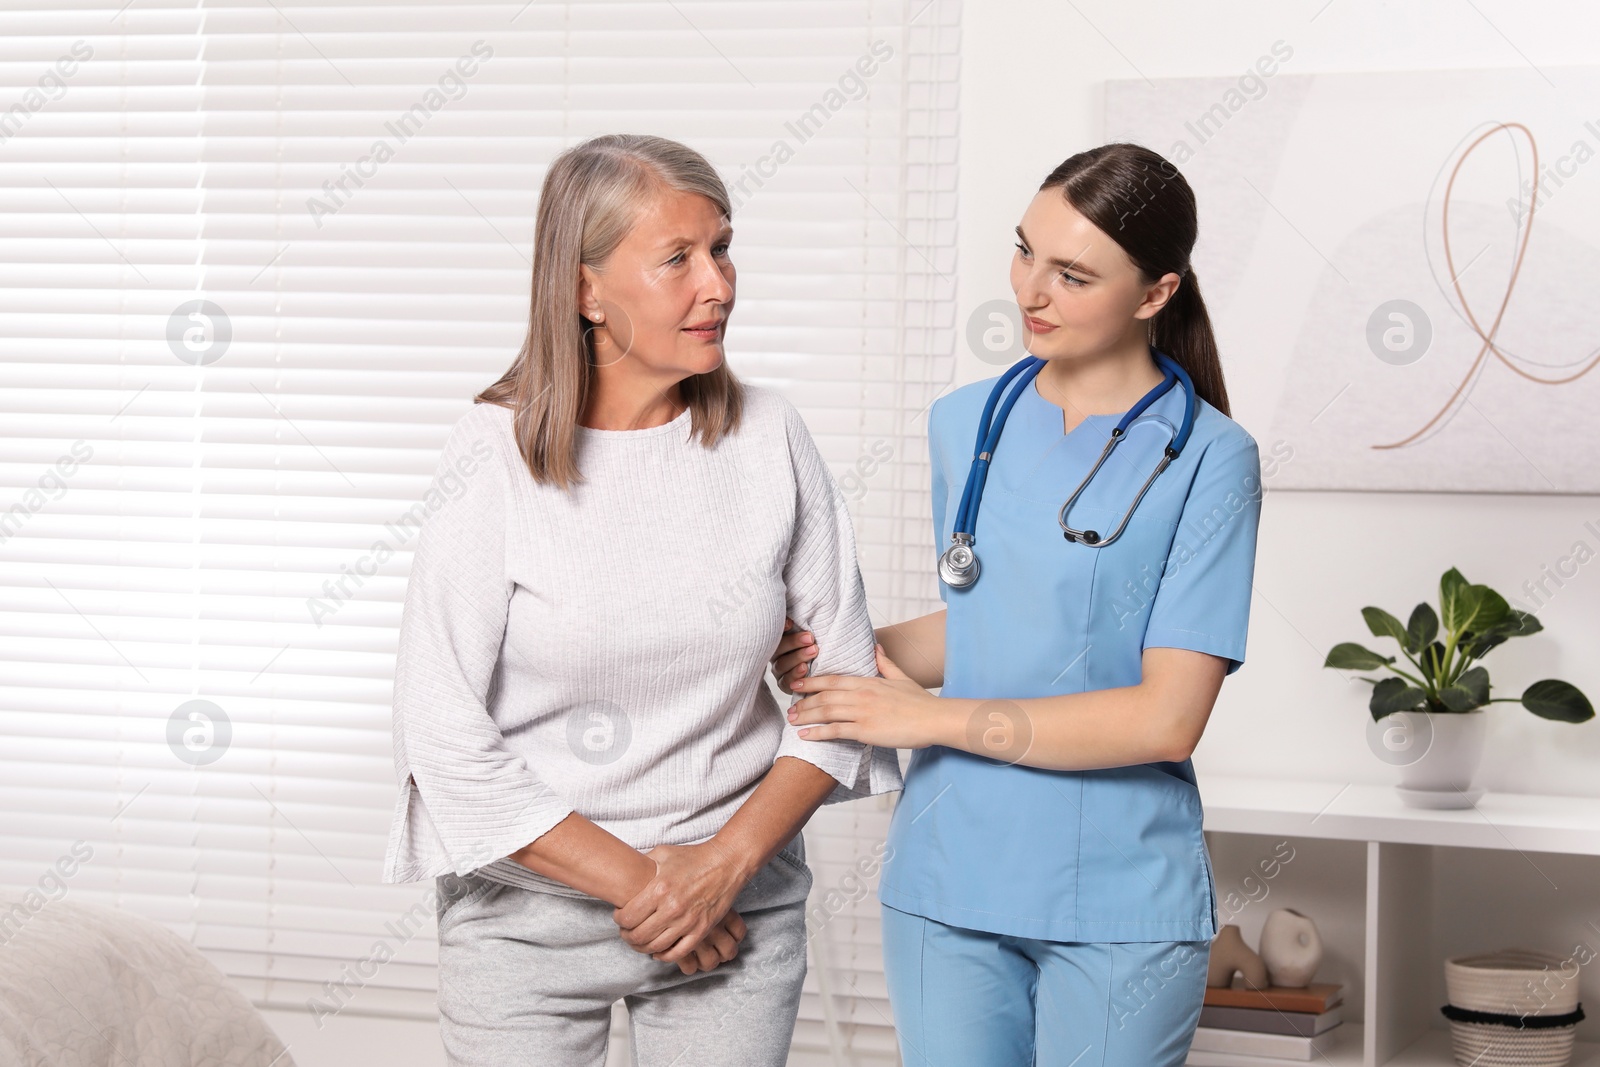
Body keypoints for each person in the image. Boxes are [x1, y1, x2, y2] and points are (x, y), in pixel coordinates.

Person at [382, 133, 902, 1067]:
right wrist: (659, 891)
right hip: (528, 924)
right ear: (585, 291)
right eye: (678, 259)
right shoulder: (493, 455)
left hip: (739, 914)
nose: (720, 284)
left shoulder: (770, 436)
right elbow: (441, 731)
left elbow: (846, 691)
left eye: (723, 247)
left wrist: (724, 867)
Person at [772, 143, 1263, 1067]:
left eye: (1072, 275)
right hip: (947, 876)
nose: (1030, 291)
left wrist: (925, 718)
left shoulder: (1209, 457)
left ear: (1154, 294)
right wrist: (850, 651)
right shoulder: (967, 423)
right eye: (1025, 251)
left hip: (1117, 893)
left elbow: (1167, 717)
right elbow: (1006, 625)